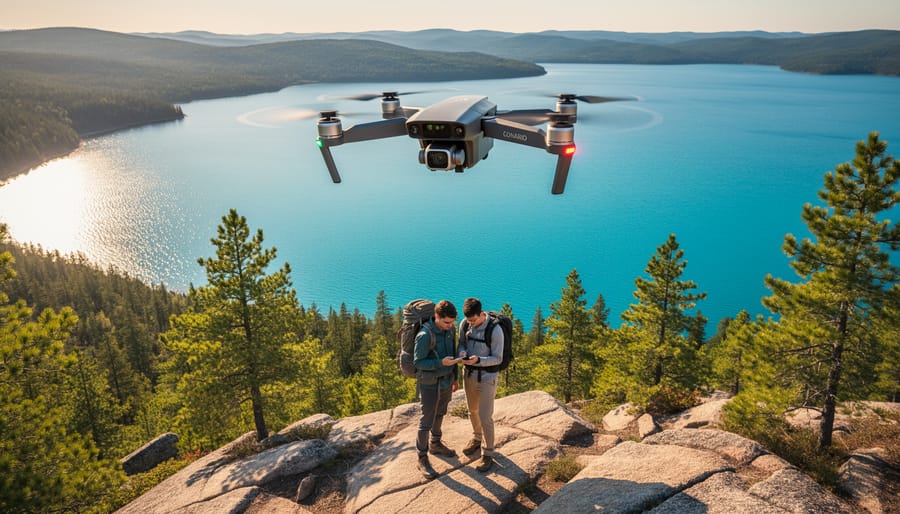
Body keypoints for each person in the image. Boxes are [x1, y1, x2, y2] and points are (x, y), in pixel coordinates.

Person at [413, 299, 461, 479]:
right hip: (429, 383)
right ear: (436, 317)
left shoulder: (450, 331)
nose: (450, 326)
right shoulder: (425, 335)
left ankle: (436, 443)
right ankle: (422, 457)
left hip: (446, 381)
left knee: (440, 413)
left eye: (452, 322)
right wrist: (440, 363)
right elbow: (418, 362)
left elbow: (454, 355)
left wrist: (455, 378)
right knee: (426, 420)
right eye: (446, 322)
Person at [457, 297, 503, 473]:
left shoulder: (495, 330)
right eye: (469, 320)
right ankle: (477, 438)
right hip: (468, 375)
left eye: (474, 320)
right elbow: (461, 342)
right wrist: (462, 351)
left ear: (481, 314)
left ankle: (488, 453)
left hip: (487, 377)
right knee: (472, 411)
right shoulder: (465, 324)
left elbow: (497, 358)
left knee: (485, 416)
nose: (471, 323)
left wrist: (479, 360)